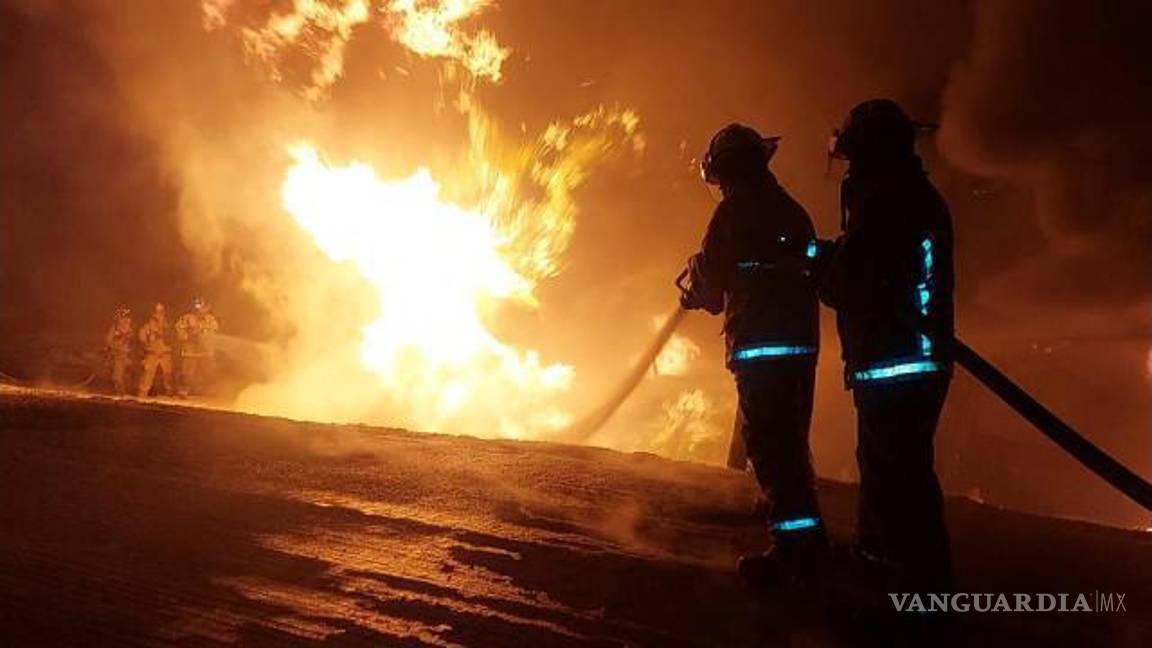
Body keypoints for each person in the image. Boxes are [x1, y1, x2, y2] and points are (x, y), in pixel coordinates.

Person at [679, 123, 825, 585]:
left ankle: (796, 550)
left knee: (770, 443)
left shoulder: (732, 213)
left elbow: (715, 290)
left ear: (723, 171)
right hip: (800, 344)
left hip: (761, 344)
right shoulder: (792, 211)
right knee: (790, 438)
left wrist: (695, 287)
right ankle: (794, 523)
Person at [821, 99, 955, 594]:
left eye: (853, 154)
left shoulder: (884, 201)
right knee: (884, 466)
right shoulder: (913, 196)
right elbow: (882, 267)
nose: (849, 165)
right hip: (909, 359)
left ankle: (926, 593)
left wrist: (820, 270)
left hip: (898, 360)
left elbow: (847, 282)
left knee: (902, 476)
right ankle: (876, 563)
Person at [175, 297, 219, 397]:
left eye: (202, 307)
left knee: (209, 371)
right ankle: (183, 391)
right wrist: (189, 336)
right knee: (187, 372)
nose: (200, 310)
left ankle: (208, 391)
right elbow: (179, 331)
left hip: (206, 351)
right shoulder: (187, 318)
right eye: (198, 307)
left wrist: (206, 335)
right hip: (191, 351)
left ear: (207, 308)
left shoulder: (210, 319)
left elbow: (215, 331)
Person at [137, 302, 174, 398]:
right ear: (153, 313)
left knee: (168, 374)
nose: (159, 314)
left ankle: (169, 393)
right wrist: (149, 340)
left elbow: (173, 337)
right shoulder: (147, 326)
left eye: (161, 311)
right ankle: (142, 393)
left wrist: (164, 334)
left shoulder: (168, 325)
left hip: (165, 353)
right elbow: (142, 338)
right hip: (152, 353)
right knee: (148, 374)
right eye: (157, 312)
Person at [104, 307, 134, 396]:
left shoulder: (129, 328)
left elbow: (134, 339)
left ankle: (122, 394)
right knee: (117, 376)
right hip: (119, 355)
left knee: (120, 376)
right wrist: (114, 346)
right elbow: (108, 341)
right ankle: (120, 394)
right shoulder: (116, 327)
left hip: (125, 355)